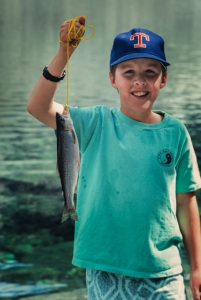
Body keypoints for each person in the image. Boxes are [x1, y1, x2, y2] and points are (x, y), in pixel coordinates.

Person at [27, 16, 201, 300]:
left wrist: (197, 267)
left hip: (163, 271)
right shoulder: (93, 122)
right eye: (128, 72)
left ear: (164, 79)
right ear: (112, 79)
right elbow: (38, 107)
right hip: (104, 265)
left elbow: (186, 203)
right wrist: (63, 55)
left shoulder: (176, 133)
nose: (139, 82)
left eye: (150, 72)